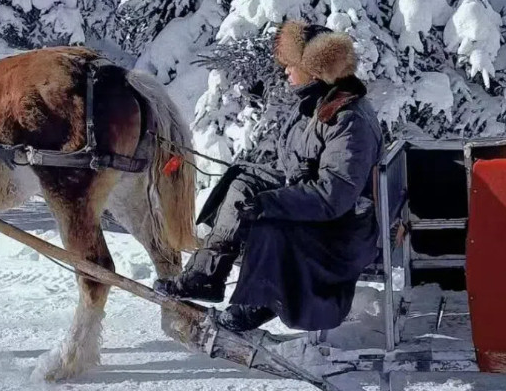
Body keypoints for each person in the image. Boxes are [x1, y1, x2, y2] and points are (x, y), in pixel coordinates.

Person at [154, 20, 384, 333]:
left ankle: (256, 304)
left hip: (342, 231)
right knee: (243, 181)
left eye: (291, 65)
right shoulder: (319, 105)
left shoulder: (348, 119)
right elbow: (300, 168)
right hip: (328, 214)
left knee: (267, 217)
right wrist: (260, 186)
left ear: (314, 68)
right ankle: (206, 276)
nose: (285, 72)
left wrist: (270, 202)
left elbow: (333, 195)